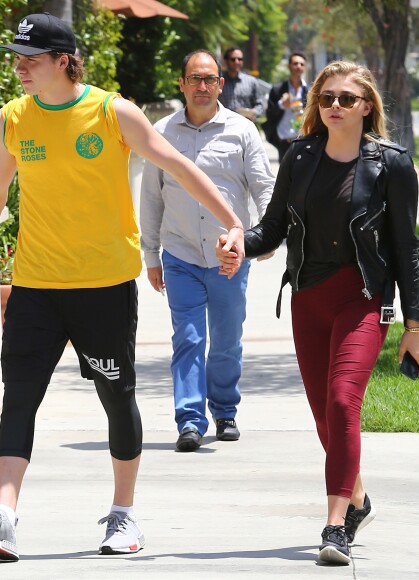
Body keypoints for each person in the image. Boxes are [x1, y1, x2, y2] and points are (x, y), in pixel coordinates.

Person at [0, 13, 245, 562]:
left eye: (30, 59)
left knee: (118, 399)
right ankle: (5, 516)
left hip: (104, 288)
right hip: (37, 285)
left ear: (63, 60)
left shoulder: (112, 112)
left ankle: (123, 515)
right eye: (17, 58)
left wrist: (232, 223)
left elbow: (178, 166)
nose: (19, 69)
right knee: (20, 398)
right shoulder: (11, 120)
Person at [218, 61, 419, 565]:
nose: (335, 106)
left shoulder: (391, 165)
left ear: (367, 107)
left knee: (342, 403)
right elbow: (271, 230)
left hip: (362, 298)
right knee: (323, 421)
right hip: (308, 298)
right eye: (327, 98)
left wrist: (414, 326)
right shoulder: (300, 156)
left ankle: (334, 528)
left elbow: (406, 248)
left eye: (346, 99)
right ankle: (359, 500)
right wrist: (237, 243)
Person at [140, 49, 274, 452]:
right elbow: (151, 197)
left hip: (228, 258)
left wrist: (262, 237)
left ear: (221, 84)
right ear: (181, 83)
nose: (202, 86)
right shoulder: (161, 132)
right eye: (194, 79)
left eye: (210, 79)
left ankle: (225, 410)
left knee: (227, 339)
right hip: (179, 255)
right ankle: (190, 420)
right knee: (189, 338)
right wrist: (151, 255)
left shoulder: (242, 131)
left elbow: (264, 187)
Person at [262, 52, 308, 162]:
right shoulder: (278, 90)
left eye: (301, 64)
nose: (298, 66)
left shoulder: (309, 91)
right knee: (285, 177)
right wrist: (281, 105)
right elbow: (269, 114)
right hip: (283, 141)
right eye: (295, 63)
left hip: (303, 140)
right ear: (289, 66)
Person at [218, 46, 264, 121]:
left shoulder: (251, 81)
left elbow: (260, 104)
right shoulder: (218, 82)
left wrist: (254, 112)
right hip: (223, 126)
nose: (237, 62)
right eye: (233, 59)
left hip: (245, 126)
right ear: (226, 61)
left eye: (240, 59)